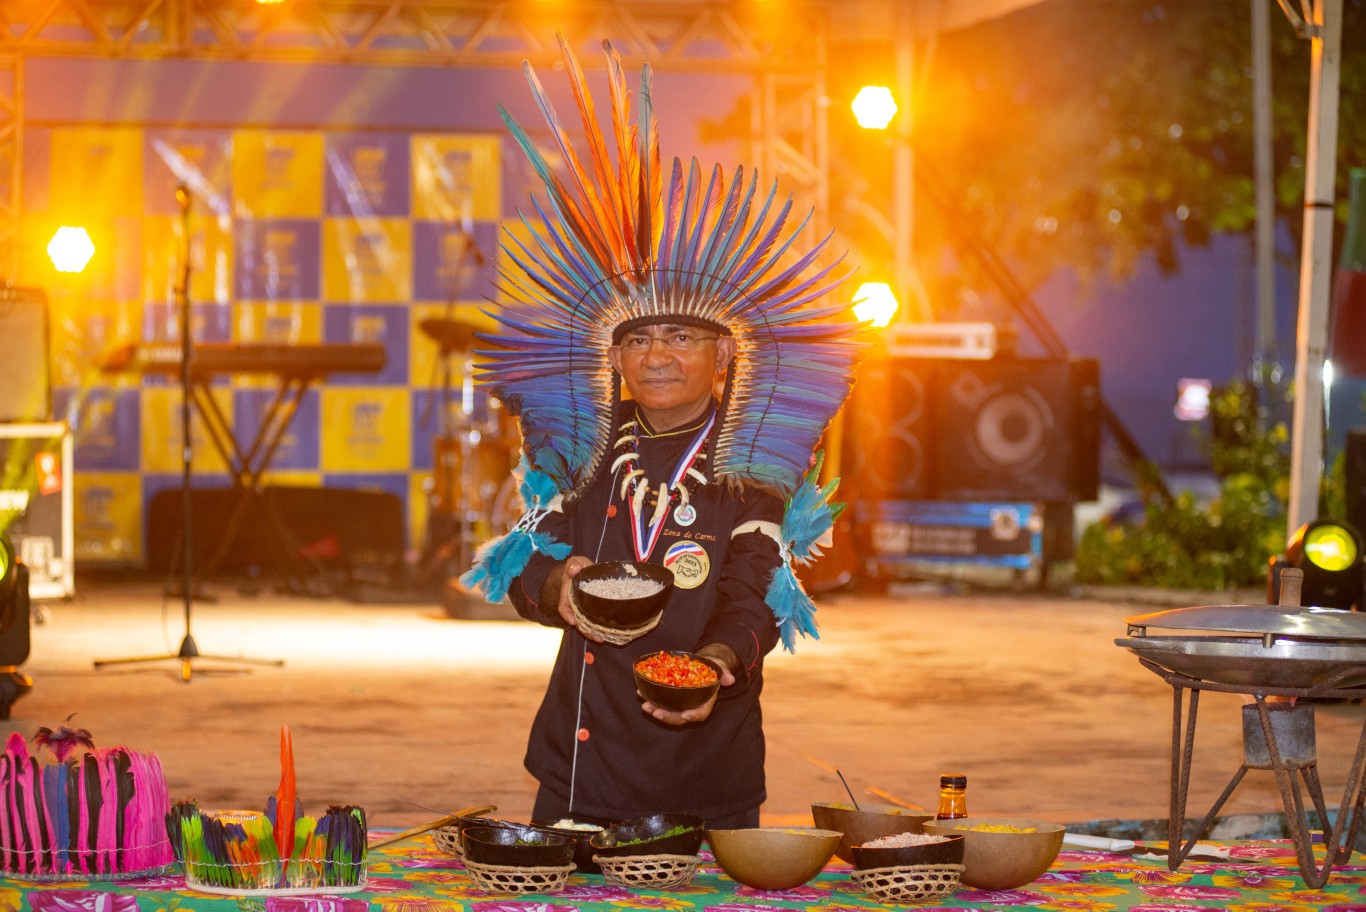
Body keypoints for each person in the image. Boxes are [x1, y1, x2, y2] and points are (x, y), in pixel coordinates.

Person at [461, 36, 865, 828]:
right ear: (613, 355)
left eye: (681, 338)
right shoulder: (577, 446)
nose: (657, 357)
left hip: (702, 769)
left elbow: (754, 598)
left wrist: (710, 669)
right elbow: (517, 570)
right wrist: (558, 588)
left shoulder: (753, 459)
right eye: (639, 340)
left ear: (724, 352)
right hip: (577, 768)